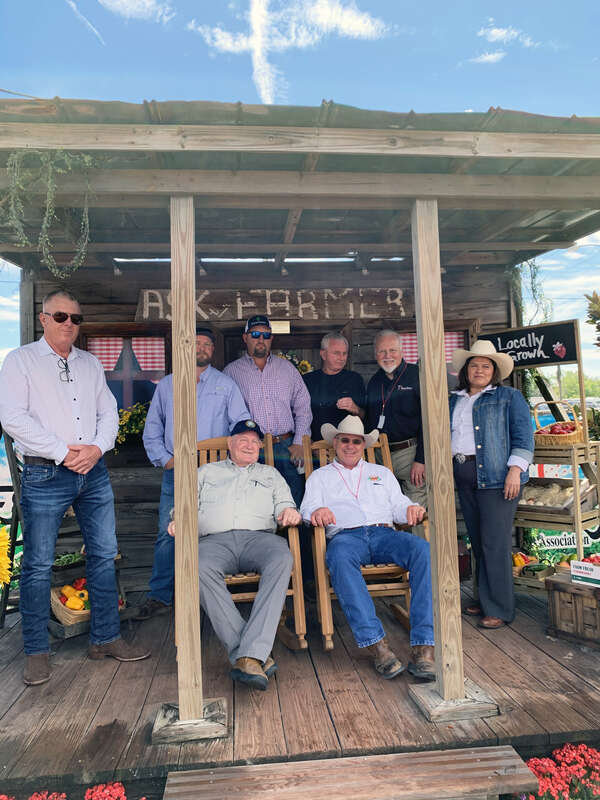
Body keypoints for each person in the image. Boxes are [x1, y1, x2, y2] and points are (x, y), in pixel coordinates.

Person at [0, 289, 150, 686]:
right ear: (43, 319)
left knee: (103, 555)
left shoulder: (90, 363)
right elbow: (11, 417)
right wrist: (62, 453)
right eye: (62, 317)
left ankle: (105, 638)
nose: (70, 324)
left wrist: (97, 448)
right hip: (44, 473)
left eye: (76, 319)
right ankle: (36, 651)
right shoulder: (20, 361)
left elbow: (108, 413)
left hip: (93, 471)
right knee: (37, 565)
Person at [167, 419, 301, 690]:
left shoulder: (270, 474)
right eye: (243, 440)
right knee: (196, 565)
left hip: (260, 539)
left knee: (282, 558)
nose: (250, 445)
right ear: (230, 444)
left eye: (255, 442)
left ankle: (247, 653)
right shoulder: (206, 472)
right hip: (214, 542)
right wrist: (178, 519)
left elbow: (285, 503)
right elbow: (184, 504)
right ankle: (252, 654)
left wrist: (290, 511)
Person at [300, 415, 435, 680]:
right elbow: (306, 509)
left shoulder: (381, 473)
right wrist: (317, 511)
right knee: (338, 557)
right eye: (344, 440)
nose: (350, 446)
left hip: (384, 533)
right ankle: (377, 645)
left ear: (363, 445)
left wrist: (409, 508)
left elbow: (398, 505)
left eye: (356, 441)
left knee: (422, 550)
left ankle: (423, 646)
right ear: (335, 443)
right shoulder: (320, 477)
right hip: (346, 537)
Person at [137, 326, 249, 620]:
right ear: (185, 347)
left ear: (213, 350)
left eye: (207, 344)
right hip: (178, 473)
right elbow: (152, 430)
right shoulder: (167, 386)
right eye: (196, 343)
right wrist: (166, 460)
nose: (201, 348)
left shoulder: (226, 386)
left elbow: (241, 425)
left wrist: (231, 459)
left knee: (217, 531)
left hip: (215, 473)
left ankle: (215, 593)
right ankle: (161, 596)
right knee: (168, 533)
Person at [450, 339, 534, 629]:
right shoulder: (454, 399)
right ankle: (485, 599)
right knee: (478, 541)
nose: (480, 370)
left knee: (494, 543)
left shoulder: (509, 397)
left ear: (494, 371)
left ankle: (500, 608)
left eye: (486, 366)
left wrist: (515, 471)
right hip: (465, 477)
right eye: (475, 365)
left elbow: (524, 437)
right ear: (466, 370)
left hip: (498, 478)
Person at [224, 315, 312, 506]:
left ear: (271, 338)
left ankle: (295, 538)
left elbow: (303, 406)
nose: (261, 339)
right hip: (253, 448)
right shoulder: (231, 372)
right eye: (255, 334)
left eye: (266, 335)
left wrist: (298, 442)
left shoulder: (287, 369)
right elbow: (226, 414)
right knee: (255, 503)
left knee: (293, 501)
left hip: (287, 447)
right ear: (245, 337)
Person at [365, 330, 427, 529]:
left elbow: (429, 422)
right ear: (375, 354)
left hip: (410, 453)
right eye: (382, 351)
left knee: (415, 508)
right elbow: (370, 421)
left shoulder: (417, 375)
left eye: (392, 350)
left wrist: (421, 459)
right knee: (382, 507)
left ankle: (420, 556)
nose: (387, 356)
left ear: (402, 351)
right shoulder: (374, 382)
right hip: (381, 455)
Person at [303, 332, 365, 440]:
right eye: (336, 353)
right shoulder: (307, 380)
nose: (341, 358)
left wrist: (355, 408)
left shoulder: (355, 379)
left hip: (346, 447)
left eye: (344, 353)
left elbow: (365, 416)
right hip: (314, 446)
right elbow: (299, 417)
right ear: (323, 354)